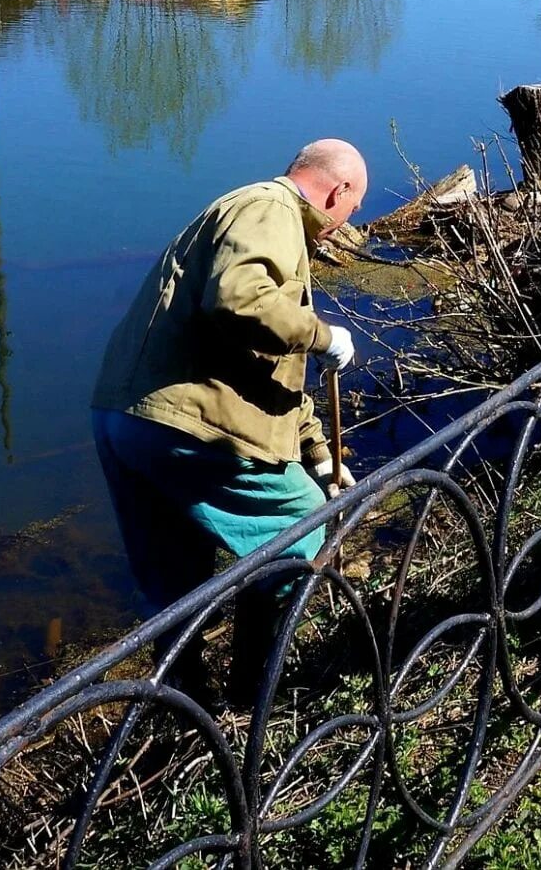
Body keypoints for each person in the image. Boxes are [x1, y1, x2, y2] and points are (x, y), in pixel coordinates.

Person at [91, 139, 366, 703]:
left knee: (176, 585)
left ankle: (189, 713)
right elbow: (240, 300)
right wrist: (322, 335)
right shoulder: (272, 209)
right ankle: (255, 697)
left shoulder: (245, 214)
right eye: (352, 211)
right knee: (300, 530)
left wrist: (319, 452)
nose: (343, 226)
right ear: (338, 191)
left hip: (127, 421)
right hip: (185, 424)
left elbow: (259, 366)